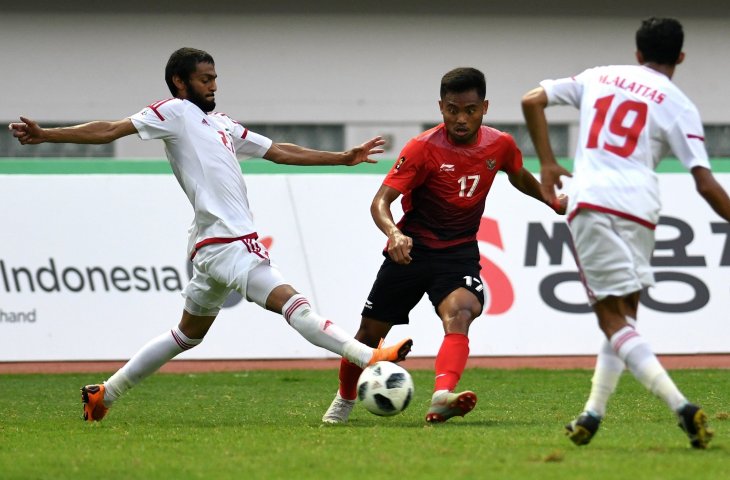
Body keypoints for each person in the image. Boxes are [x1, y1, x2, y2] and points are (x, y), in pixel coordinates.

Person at [9, 47, 413, 422]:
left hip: (210, 246)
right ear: (180, 82)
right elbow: (111, 129)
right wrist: (47, 134)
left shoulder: (222, 124)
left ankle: (104, 394)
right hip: (228, 243)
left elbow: (278, 150)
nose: (214, 85)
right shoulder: (173, 112)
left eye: (215, 78)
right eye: (205, 79)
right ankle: (370, 356)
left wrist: (342, 158)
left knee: (186, 335)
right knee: (296, 306)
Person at [521, 17, 729, 449]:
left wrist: (546, 161)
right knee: (625, 317)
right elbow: (706, 184)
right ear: (681, 57)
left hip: (594, 202)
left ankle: (683, 408)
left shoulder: (600, 76)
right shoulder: (680, 104)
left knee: (611, 318)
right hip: (642, 210)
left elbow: (532, 100)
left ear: (637, 53)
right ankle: (593, 414)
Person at [322, 67, 565, 425]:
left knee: (462, 312)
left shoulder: (500, 144)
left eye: (469, 110)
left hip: (458, 252)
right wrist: (394, 234)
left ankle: (441, 397)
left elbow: (517, 173)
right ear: (441, 107)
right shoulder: (422, 148)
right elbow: (380, 202)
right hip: (411, 251)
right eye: (452, 109)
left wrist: (551, 200)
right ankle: (343, 400)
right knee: (370, 335)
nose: (461, 119)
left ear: (484, 107)